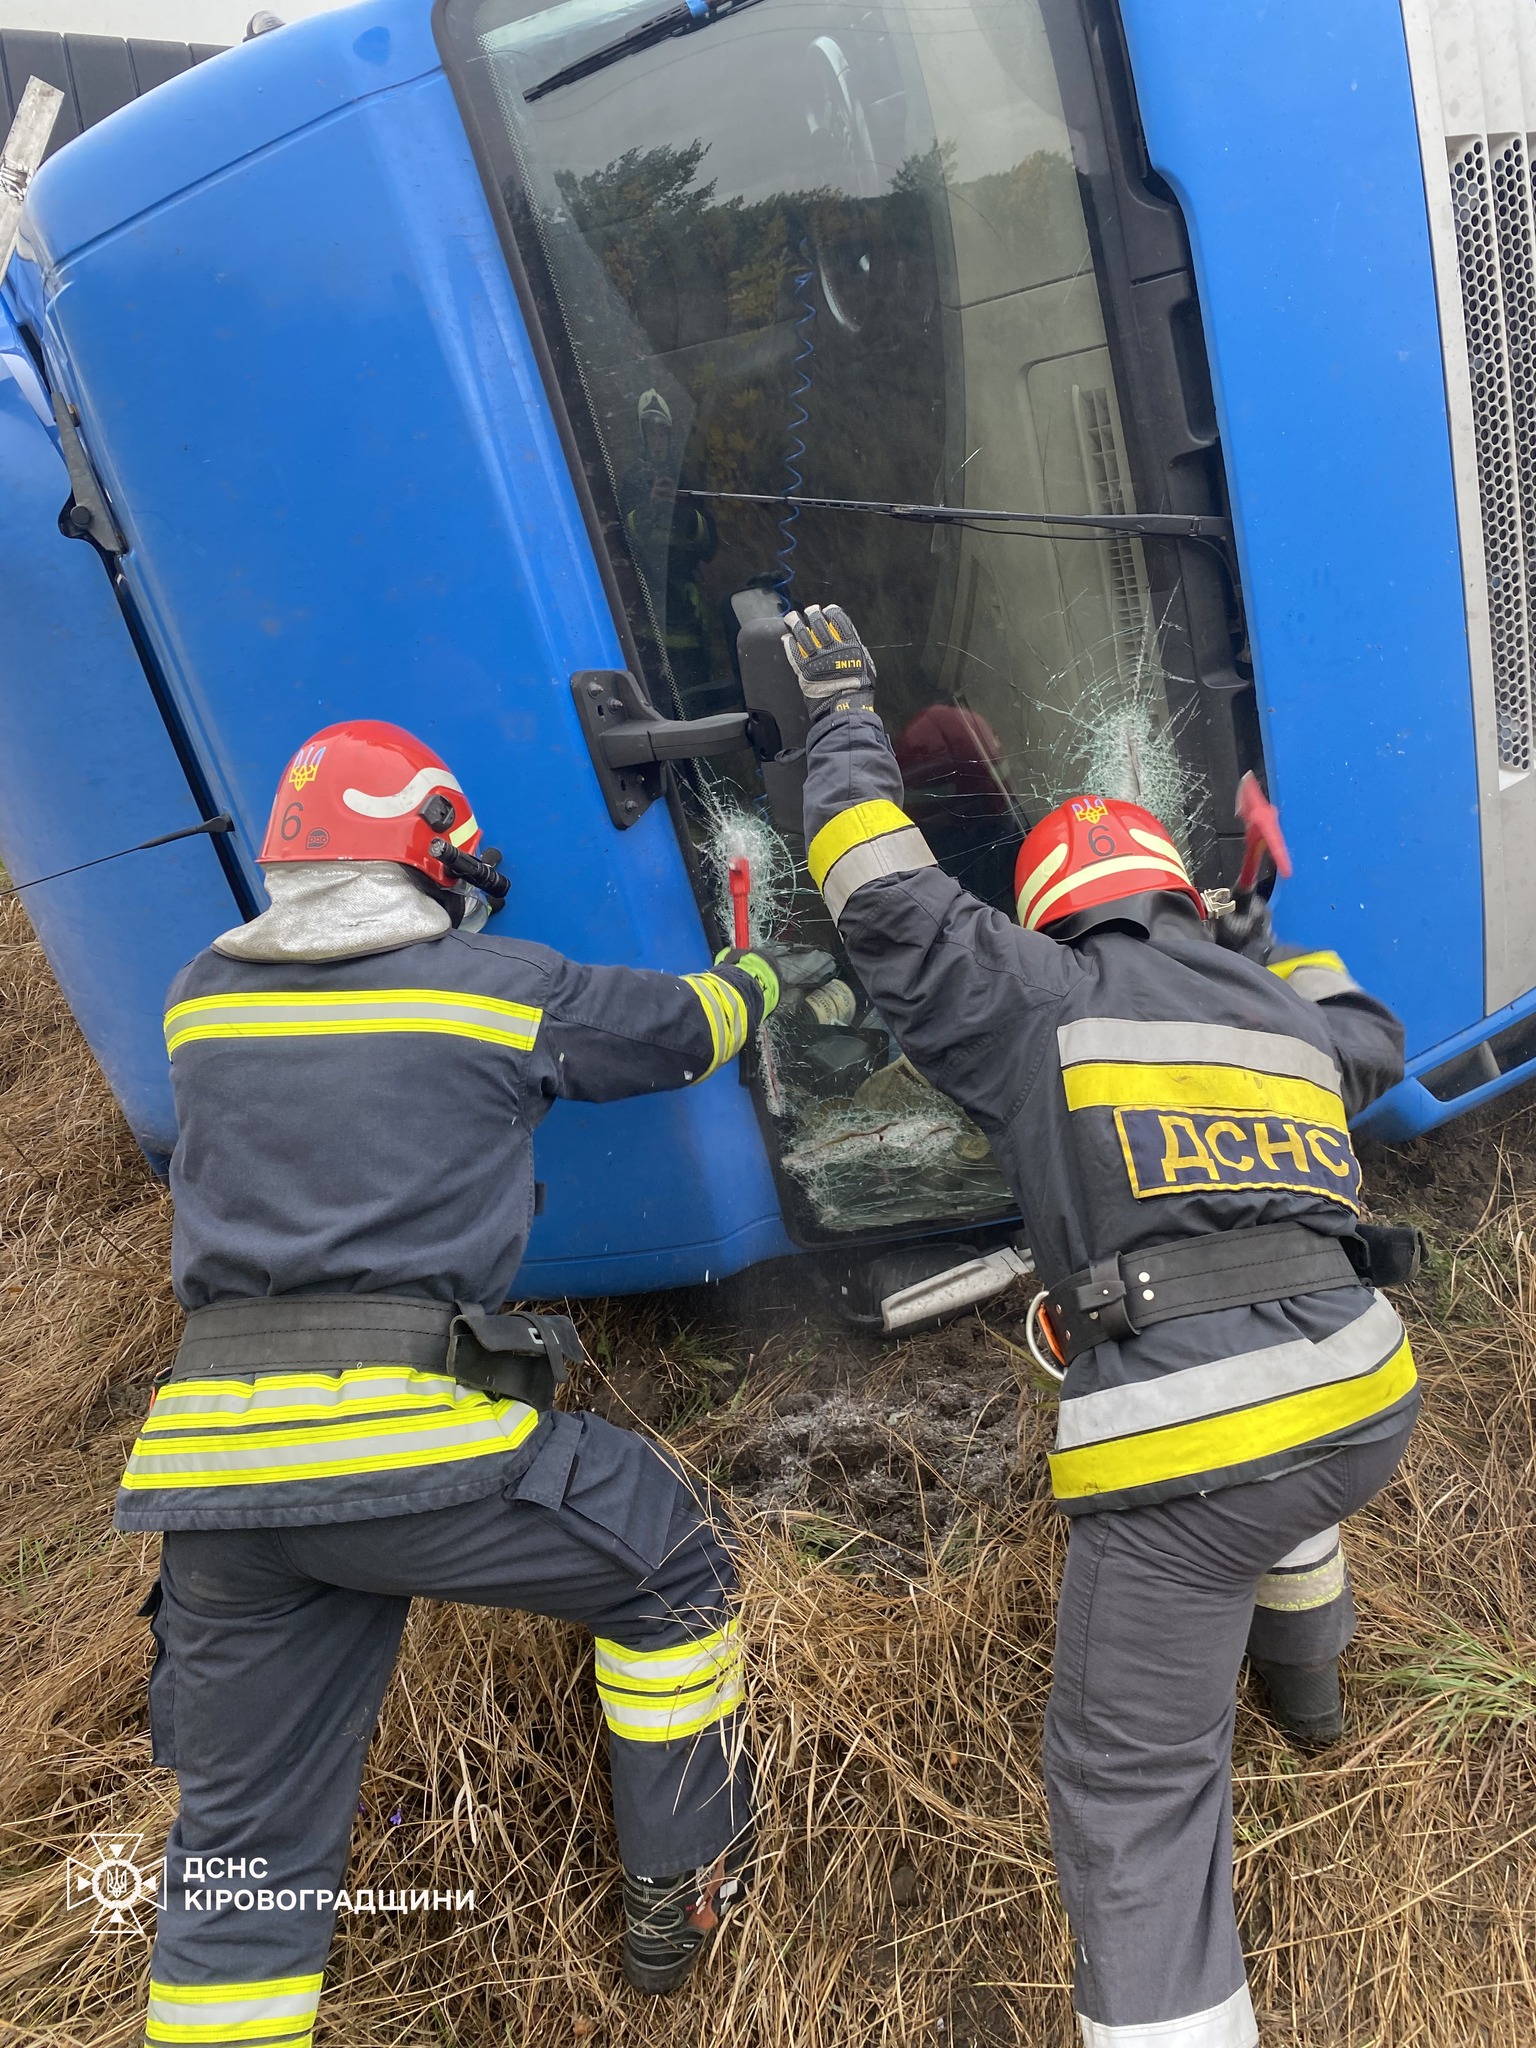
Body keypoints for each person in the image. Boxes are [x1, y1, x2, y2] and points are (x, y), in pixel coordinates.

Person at [782, 602, 1418, 2048]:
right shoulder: (1290, 1019)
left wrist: (840, 719)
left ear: (1050, 913)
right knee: (1284, 1481)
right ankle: (1313, 1704)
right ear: (1180, 900)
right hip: (1366, 1392)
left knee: (1134, 1787)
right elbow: (1373, 1033)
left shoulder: (1036, 998)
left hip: (1201, 1441)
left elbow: (882, 892)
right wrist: (1264, 945)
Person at [116, 719, 781, 2046]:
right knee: (670, 1559)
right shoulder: (489, 986)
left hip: (208, 1484)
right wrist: (756, 971)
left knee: (243, 1852)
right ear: (433, 859)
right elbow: (679, 1033)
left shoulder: (200, 999)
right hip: (401, 1438)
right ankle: (689, 1885)